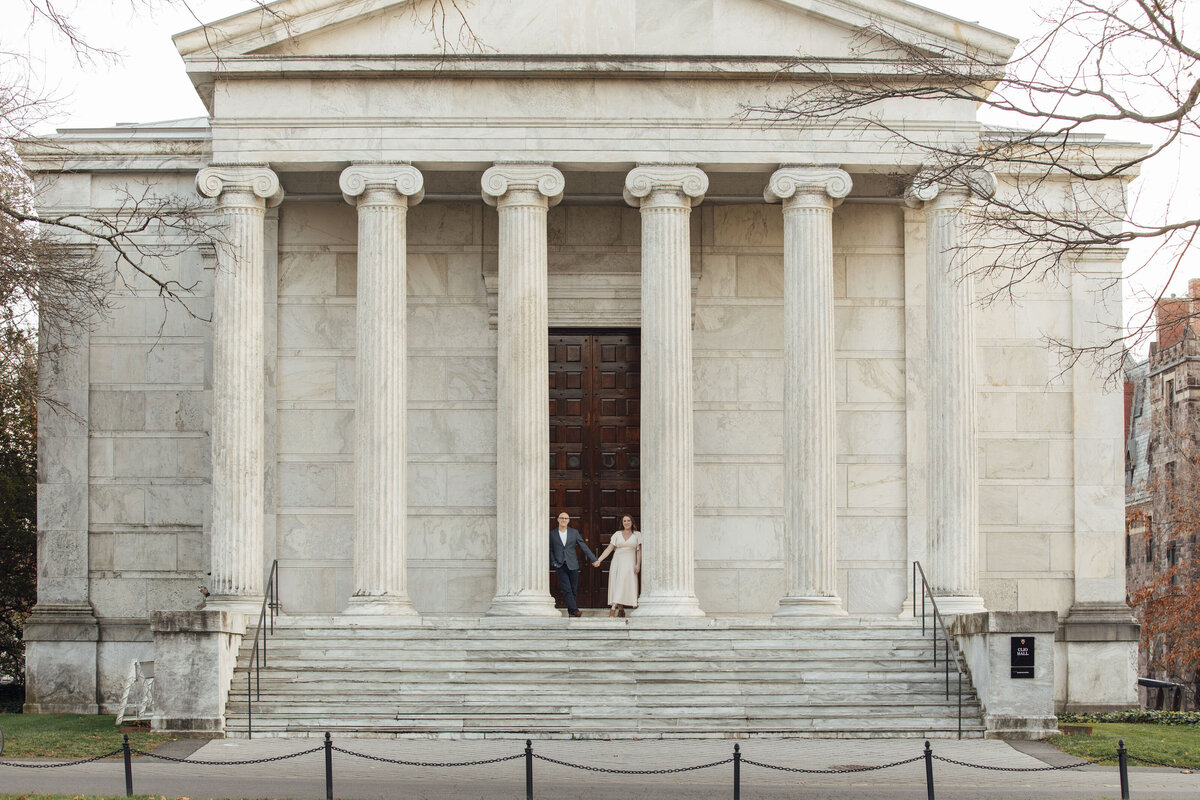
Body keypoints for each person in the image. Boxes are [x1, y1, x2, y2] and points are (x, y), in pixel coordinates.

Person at [592, 514, 642, 617]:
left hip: (630, 562)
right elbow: (609, 549)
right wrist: (599, 560)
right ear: (622, 523)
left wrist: (638, 564)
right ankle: (620, 609)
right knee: (618, 583)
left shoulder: (637, 535)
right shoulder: (617, 534)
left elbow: (639, 551)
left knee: (626, 584)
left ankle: (614, 608)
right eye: (624, 521)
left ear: (632, 522)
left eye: (628, 520)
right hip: (617, 561)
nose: (626, 523)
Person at [549, 511, 597, 618]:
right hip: (560, 565)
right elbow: (550, 550)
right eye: (562, 518)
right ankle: (575, 610)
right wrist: (554, 562)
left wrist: (593, 559)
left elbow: (583, 546)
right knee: (567, 590)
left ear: (569, 520)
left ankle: (571, 612)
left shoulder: (574, 533)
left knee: (573, 589)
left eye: (566, 518)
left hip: (573, 565)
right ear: (558, 519)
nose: (563, 520)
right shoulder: (552, 534)